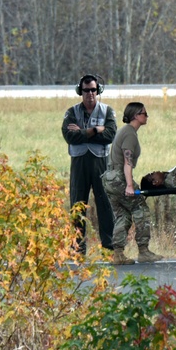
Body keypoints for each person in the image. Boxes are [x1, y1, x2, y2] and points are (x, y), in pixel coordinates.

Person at [102, 102, 163, 264]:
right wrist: (129, 185)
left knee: (123, 215)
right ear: (136, 115)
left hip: (109, 178)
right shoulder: (129, 134)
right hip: (118, 178)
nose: (146, 116)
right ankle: (143, 251)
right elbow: (127, 162)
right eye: (144, 113)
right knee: (141, 209)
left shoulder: (126, 132)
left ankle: (118, 254)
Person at [62, 74, 116, 254]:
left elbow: (110, 135)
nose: (90, 94)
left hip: (101, 163)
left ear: (98, 90)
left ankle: (109, 247)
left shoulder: (107, 111)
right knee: (77, 205)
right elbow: (69, 136)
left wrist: (82, 133)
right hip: (79, 164)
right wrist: (94, 130)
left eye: (93, 90)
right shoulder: (71, 112)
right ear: (80, 92)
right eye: (86, 90)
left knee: (105, 205)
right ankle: (77, 249)